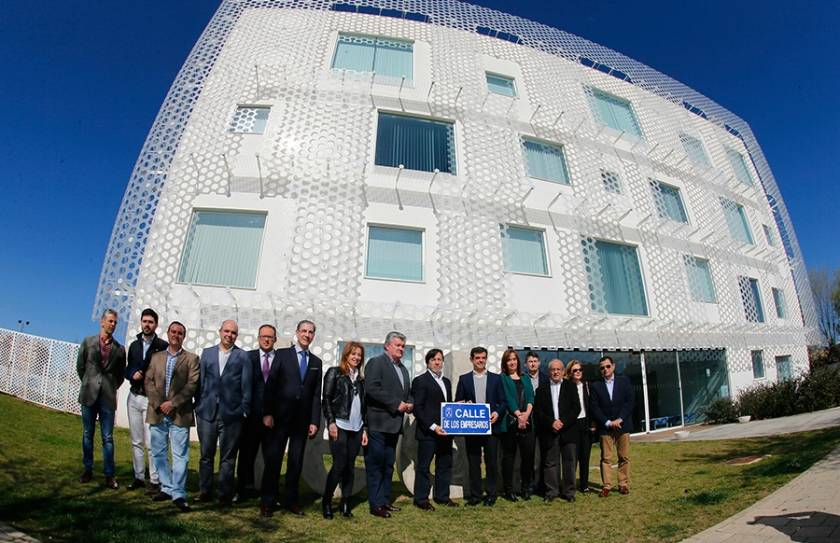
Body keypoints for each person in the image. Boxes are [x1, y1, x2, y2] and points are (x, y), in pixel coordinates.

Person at [261, 320, 323, 517]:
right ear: (297, 333)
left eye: (310, 332)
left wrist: (314, 421)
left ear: (313, 336)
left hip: (302, 421)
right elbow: (270, 385)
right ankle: (268, 501)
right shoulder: (281, 355)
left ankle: (291, 500)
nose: (306, 335)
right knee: (274, 460)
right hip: (279, 418)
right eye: (303, 331)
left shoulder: (316, 362)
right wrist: (268, 413)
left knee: (296, 462)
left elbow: (315, 395)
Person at [194, 319, 252, 507]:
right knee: (206, 455)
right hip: (207, 412)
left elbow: (246, 386)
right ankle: (204, 491)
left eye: (233, 333)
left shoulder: (243, 356)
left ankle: (224, 494)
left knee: (228, 457)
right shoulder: (207, 353)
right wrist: (199, 404)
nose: (229, 335)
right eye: (226, 331)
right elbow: (200, 382)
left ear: (236, 336)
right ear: (220, 332)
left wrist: (243, 411)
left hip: (232, 416)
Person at [146, 321, 199, 512]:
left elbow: (192, 385)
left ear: (184, 336)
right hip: (158, 412)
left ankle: (179, 493)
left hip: (179, 414)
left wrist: (173, 403)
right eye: (173, 332)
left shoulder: (192, 359)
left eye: (180, 333)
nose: (176, 335)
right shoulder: (156, 357)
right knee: (158, 453)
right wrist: (159, 403)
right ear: (168, 333)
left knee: (180, 456)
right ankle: (166, 488)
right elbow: (148, 381)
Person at [364, 331, 413, 518]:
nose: (401, 349)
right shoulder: (376, 363)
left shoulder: (403, 369)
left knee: (388, 465)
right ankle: (375, 504)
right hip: (378, 422)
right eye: (397, 345)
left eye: (402, 346)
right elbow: (372, 388)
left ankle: (385, 501)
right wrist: (395, 404)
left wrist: (410, 403)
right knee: (376, 464)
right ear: (387, 346)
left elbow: (406, 392)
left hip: (394, 425)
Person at [76, 309, 126, 489]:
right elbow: (80, 367)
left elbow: (120, 375)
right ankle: (87, 469)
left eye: (115, 322)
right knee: (88, 434)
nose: (113, 325)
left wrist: (109, 388)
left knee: (107, 437)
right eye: (110, 321)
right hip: (89, 395)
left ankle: (109, 475)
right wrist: (90, 383)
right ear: (102, 322)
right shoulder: (88, 342)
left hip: (107, 397)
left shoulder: (120, 349)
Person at [321, 342, 368, 519]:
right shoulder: (335, 372)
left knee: (350, 467)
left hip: (356, 428)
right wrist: (331, 422)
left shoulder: (361, 380)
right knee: (339, 464)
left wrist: (365, 429)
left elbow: (364, 407)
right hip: (339, 425)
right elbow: (326, 399)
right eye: (353, 354)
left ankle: (345, 503)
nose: (356, 357)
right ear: (346, 355)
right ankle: (327, 501)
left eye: (359, 355)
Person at [454, 346, 506, 507]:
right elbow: (458, 402)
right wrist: (465, 405)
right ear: (472, 359)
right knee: (474, 462)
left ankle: (491, 494)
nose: (480, 360)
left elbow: (503, 402)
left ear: (486, 358)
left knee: (491, 462)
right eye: (477, 358)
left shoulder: (496, 379)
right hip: (472, 428)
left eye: (483, 357)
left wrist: (497, 413)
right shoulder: (464, 379)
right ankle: (475, 495)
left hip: (491, 426)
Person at [125, 308, 168, 493]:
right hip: (134, 396)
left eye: (151, 322)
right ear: (141, 322)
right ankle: (138, 476)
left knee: (152, 442)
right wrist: (131, 374)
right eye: (144, 321)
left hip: (151, 399)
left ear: (156, 325)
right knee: (136, 440)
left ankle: (155, 480)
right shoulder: (134, 345)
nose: (147, 325)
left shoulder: (162, 346)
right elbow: (128, 367)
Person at [411, 348, 457, 511]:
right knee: (424, 467)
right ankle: (421, 499)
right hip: (428, 432)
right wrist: (433, 426)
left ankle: (442, 497)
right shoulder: (420, 381)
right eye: (434, 360)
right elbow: (418, 408)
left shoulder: (446, 382)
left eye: (440, 359)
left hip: (445, 432)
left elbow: (446, 407)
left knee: (444, 465)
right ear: (428, 362)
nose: (437, 362)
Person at [237, 324, 277, 502]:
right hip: (250, 417)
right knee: (246, 455)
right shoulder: (248, 357)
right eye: (263, 336)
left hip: (272, 419)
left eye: (270, 337)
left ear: (275, 339)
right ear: (258, 338)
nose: (266, 339)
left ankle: (270, 493)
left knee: (272, 458)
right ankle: (243, 490)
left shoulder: (281, 359)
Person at [534, 359, 580, 502]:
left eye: (558, 369)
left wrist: (563, 422)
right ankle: (551, 492)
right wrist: (551, 423)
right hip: (550, 431)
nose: (555, 372)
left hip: (568, 431)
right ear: (549, 372)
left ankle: (569, 492)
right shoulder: (541, 389)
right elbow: (539, 412)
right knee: (550, 463)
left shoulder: (571, 387)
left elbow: (576, 408)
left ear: (563, 371)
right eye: (553, 370)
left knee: (569, 462)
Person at [590, 356, 635, 497]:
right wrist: (608, 422)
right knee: (606, 458)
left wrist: (620, 419)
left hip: (623, 425)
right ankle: (607, 486)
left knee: (624, 457)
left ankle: (623, 484)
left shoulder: (624, 381)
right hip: (606, 427)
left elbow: (630, 402)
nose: (605, 369)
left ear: (613, 366)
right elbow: (595, 407)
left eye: (608, 366)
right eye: (602, 367)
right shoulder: (596, 386)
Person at [498, 349, 536, 501]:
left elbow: (531, 396)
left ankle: (526, 488)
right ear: (505, 363)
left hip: (527, 422)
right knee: (509, 458)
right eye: (509, 360)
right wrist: (519, 415)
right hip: (510, 423)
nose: (512, 362)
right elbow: (507, 398)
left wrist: (526, 414)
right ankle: (509, 490)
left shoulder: (525, 378)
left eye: (514, 359)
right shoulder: (502, 378)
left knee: (528, 458)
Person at [566, 359, 595, 493]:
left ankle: (584, 485)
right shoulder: (567, 386)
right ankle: (570, 484)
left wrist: (593, 423)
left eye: (580, 370)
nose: (578, 372)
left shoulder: (587, 386)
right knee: (573, 457)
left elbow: (592, 407)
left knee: (585, 456)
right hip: (572, 424)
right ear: (570, 372)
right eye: (575, 370)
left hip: (585, 424)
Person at [524, 350, 547, 496]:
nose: (533, 364)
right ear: (526, 365)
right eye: (530, 361)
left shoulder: (546, 378)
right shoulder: (522, 379)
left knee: (543, 455)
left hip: (543, 422)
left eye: (535, 361)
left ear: (539, 363)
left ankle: (542, 485)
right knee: (528, 456)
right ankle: (528, 485)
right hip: (527, 421)